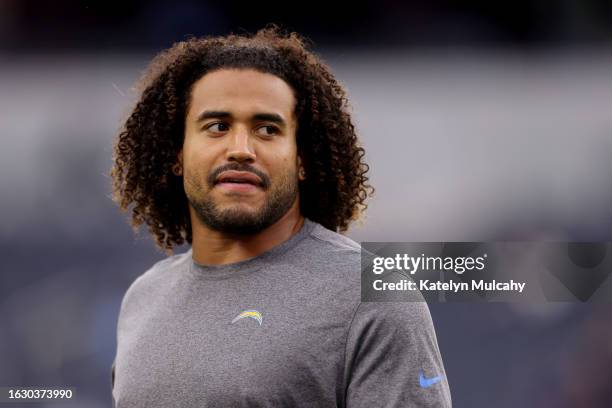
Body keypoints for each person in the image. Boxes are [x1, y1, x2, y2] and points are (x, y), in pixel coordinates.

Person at [110, 26, 451, 407]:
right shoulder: (143, 299)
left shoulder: (372, 299)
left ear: (302, 158)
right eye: (218, 126)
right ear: (177, 152)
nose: (240, 149)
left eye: (267, 129)